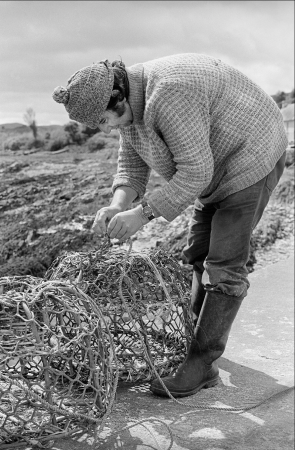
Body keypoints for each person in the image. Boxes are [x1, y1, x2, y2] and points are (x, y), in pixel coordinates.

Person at [52, 54, 287, 398]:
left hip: (252, 155)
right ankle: (194, 340)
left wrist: (142, 214)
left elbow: (195, 172)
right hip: (214, 162)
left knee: (223, 265)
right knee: (197, 253)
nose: (106, 129)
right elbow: (132, 163)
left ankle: (203, 362)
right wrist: (118, 204)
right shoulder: (129, 104)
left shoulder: (169, 93)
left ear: (116, 96)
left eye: (103, 120)